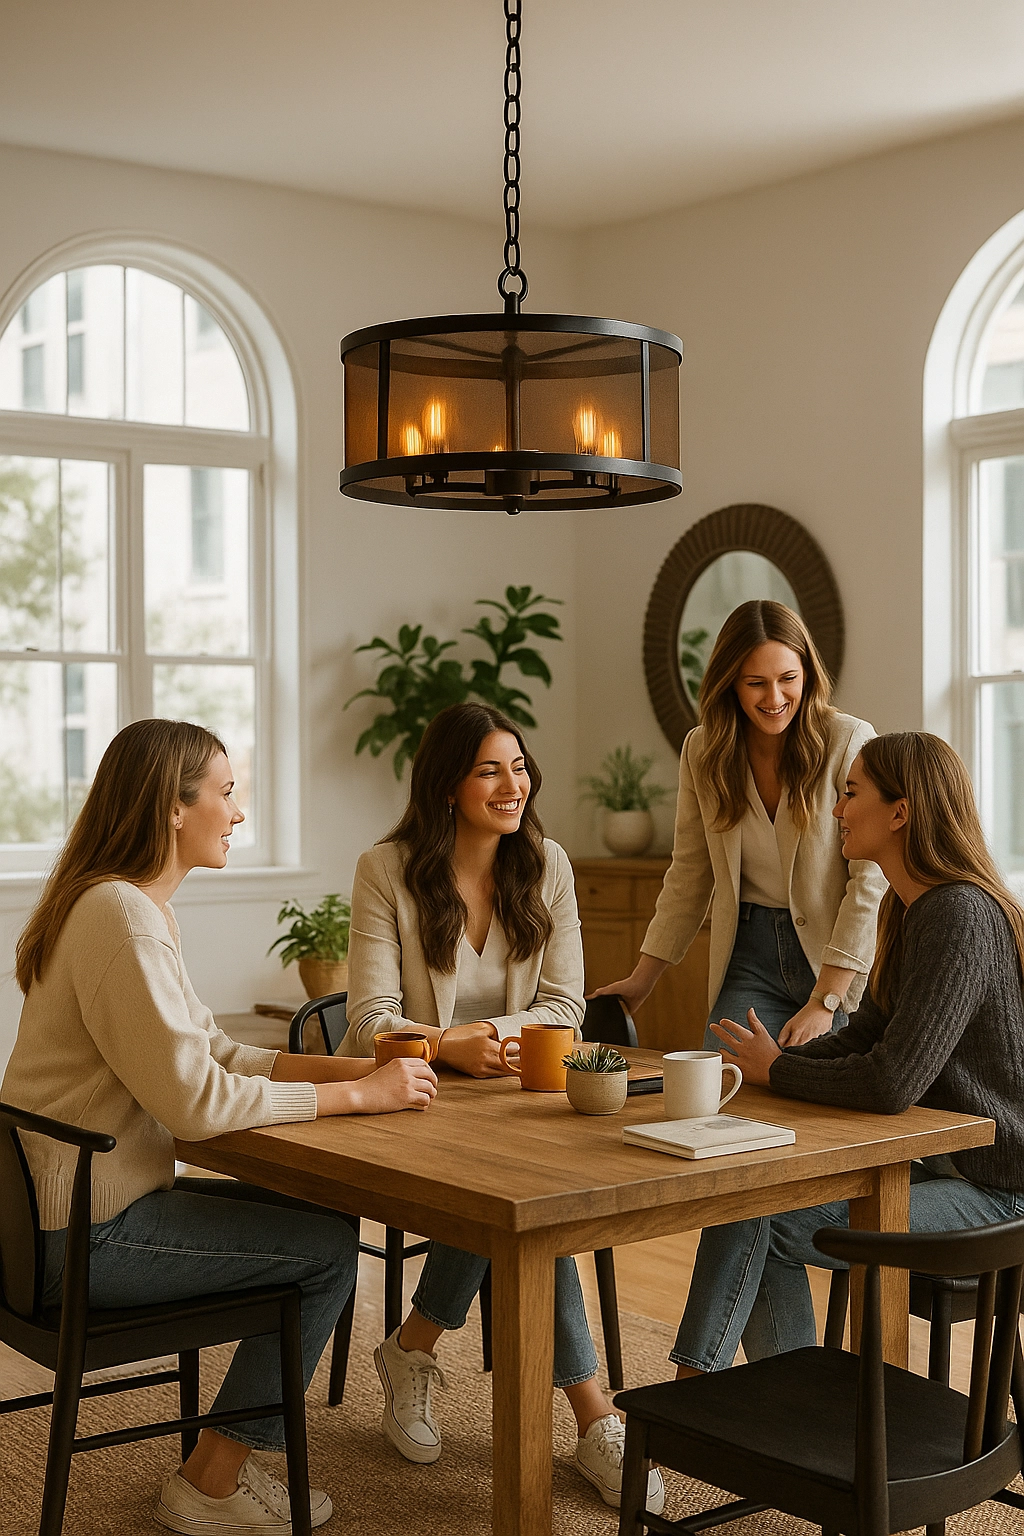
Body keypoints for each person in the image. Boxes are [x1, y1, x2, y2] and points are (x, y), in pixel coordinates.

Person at [2, 719, 437, 1536]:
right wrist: (358, 1100)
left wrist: (358, 1073)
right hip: (85, 1238)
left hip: (49, 1224)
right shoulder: (122, 917)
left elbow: (214, 1051)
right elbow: (196, 1102)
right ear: (173, 806)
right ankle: (209, 1484)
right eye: (226, 791)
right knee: (328, 1252)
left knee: (313, 1224)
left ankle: (216, 1467)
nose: (238, 811)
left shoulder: (121, 907)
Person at [338, 701, 665, 1513]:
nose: (511, 784)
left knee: (525, 1207)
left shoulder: (546, 863)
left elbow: (566, 1005)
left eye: (518, 767)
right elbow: (369, 1018)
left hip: (523, 1101)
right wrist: (446, 1046)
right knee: (525, 1214)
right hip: (420, 1102)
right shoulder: (386, 869)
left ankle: (411, 1347)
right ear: (448, 784)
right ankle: (595, 1416)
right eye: (489, 769)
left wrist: (485, 1029)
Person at [593, 600, 887, 1370]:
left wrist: (828, 999)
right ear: (728, 684)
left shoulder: (848, 742)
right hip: (750, 954)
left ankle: (708, 1370)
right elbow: (689, 872)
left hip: (830, 962)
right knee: (718, 1140)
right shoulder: (703, 751)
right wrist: (646, 974)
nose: (774, 699)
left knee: (789, 1161)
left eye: (787, 679)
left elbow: (870, 878)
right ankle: (781, 1374)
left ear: (808, 675)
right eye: (755, 683)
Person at [672, 731, 1024, 1371]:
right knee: (754, 1198)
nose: (836, 810)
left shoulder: (961, 914)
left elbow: (893, 1083)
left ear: (901, 811)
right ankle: (784, 1405)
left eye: (851, 793)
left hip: (1001, 1193)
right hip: (941, 1164)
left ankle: (696, 1388)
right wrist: (773, 1066)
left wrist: (779, 1072)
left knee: (759, 1216)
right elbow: (871, 1032)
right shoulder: (906, 906)